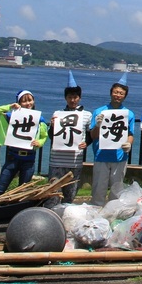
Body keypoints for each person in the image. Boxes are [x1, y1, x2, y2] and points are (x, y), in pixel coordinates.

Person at [0, 90, 49, 197]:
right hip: (12, 158)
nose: (28, 103)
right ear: (19, 103)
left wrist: (39, 143)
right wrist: (9, 106)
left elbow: (44, 136)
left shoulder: (39, 119)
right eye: (24, 101)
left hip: (29, 159)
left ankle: (15, 208)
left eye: (30, 100)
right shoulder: (11, 116)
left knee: (22, 192)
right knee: (0, 189)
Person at [89, 77, 134, 206]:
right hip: (101, 155)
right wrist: (98, 125)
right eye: (116, 92)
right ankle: (96, 212)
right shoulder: (99, 111)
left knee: (117, 191)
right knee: (98, 190)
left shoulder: (129, 114)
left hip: (120, 156)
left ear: (125, 96)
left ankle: (113, 213)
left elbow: (130, 134)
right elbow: (93, 135)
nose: (118, 95)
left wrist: (129, 143)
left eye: (121, 93)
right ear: (111, 93)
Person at [48, 74, 90, 203]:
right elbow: (52, 136)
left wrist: (86, 143)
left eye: (75, 97)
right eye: (70, 97)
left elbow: (90, 135)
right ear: (65, 98)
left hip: (75, 161)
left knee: (70, 196)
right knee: (53, 194)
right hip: (57, 161)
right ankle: (52, 214)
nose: (72, 100)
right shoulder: (57, 114)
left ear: (79, 98)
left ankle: (65, 214)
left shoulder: (87, 115)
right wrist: (53, 126)